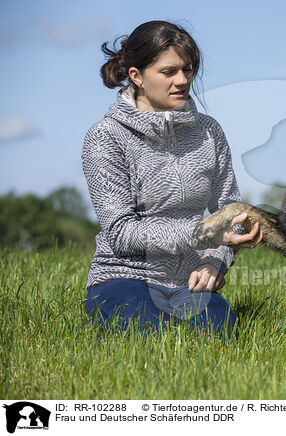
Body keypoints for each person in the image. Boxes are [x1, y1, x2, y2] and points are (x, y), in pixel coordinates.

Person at [82, 20, 261, 334]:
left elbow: (230, 212)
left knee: (221, 330)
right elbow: (122, 234)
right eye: (169, 72)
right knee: (154, 333)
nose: (182, 80)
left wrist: (215, 261)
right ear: (136, 76)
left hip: (187, 284)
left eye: (187, 70)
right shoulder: (105, 137)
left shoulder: (209, 132)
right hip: (123, 278)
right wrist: (206, 234)